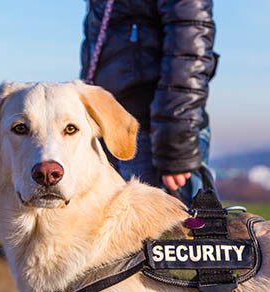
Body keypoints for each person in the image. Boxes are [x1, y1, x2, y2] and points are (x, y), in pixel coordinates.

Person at [80, 0, 218, 206]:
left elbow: (188, 48)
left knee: (173, 235)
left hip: (154, 132)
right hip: (116, 128)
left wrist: (175, 142)